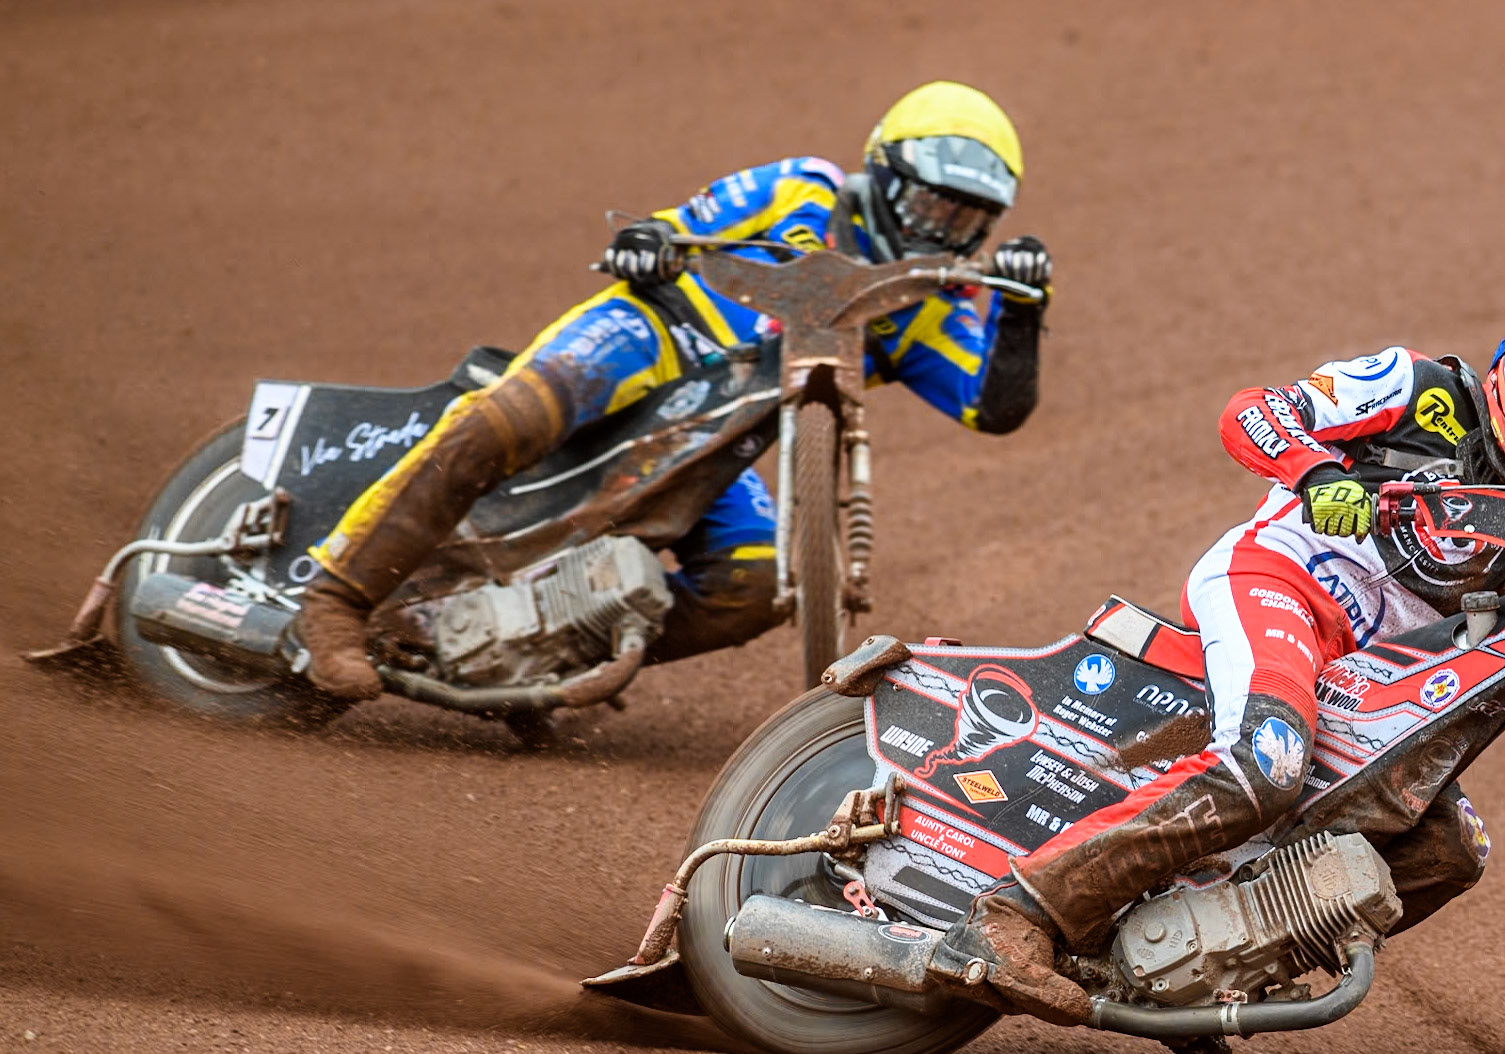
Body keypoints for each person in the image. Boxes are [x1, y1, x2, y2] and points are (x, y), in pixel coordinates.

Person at [931, 281, 1505, 1026]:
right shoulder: (1418, 386)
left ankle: (1210, 971)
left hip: (1362, 670)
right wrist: (1319, 474)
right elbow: (1254, 413)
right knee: (1266, 762)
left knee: (1451, 847)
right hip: (1276, 582)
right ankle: (1013, 911)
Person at [295, 81, 1053, 699]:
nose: (939, 231)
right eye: (930, 205)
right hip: (653, 337)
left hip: (715, 441)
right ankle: (334, 602)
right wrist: (649, 239)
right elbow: (676, 224)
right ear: (884, 173)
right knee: (510, 418)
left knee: (753, 581)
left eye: (965, 219)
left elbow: (993, 407)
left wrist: (1022, 308)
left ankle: (559, 650)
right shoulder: (801, 188)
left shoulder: (926, 305)